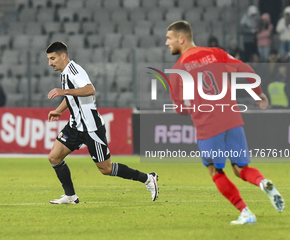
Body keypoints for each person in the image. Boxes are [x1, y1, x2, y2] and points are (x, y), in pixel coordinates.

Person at [165, 21, 284, 225]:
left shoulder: (177, 71)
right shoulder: (216, 53)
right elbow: (245, 69)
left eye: (169, 38)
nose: (167, 43)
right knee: (240, 167)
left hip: (208, 126)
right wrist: (258, 95)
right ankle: (262, 181)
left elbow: (179, 109)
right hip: (232, 119)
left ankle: (245, 212)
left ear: (181, 39)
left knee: (215, 170)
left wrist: (194, 108)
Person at [45, 41, 158, 204]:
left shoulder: (74, 71)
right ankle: (70, 196)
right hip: (75, 125)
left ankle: (148, 179)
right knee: (54, 157)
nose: (50, 63)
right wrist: (59, 110)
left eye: (53, 58)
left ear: (63, 56)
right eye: (49, 59)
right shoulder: (64, 72)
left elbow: (90, 89)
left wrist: (64, 91)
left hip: (91, 128)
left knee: (106, 169)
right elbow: (72, 97)